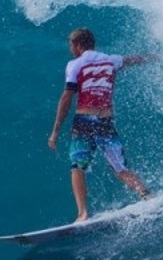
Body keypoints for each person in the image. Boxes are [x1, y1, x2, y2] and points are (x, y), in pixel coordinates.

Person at [47, 27, 152, 222]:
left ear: (78, 45)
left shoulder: (75, 64)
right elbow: (134, 59)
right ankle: (147, 195)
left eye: (71, 45)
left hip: (84, 122)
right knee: (119, 168)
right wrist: (156, 56)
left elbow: (66, 98)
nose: (71, 49)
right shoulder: (111, 60)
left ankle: (82, 214)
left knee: (77, 167)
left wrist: (55, 131)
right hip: (105, 121)